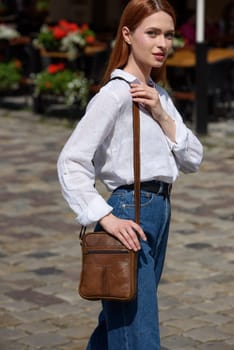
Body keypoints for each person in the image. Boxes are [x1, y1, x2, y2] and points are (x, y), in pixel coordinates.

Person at [57, 0, 203, 349]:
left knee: (116, 328)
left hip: (159, 213)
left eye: (168, 35)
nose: (162, 43)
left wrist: (161, 113)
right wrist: (104, 217)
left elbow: (193, 158)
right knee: (138, 333)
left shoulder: (159, 96)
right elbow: (71, 161)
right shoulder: (115, 94)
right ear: (127, 35)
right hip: (129, 213)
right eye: (152, 33)